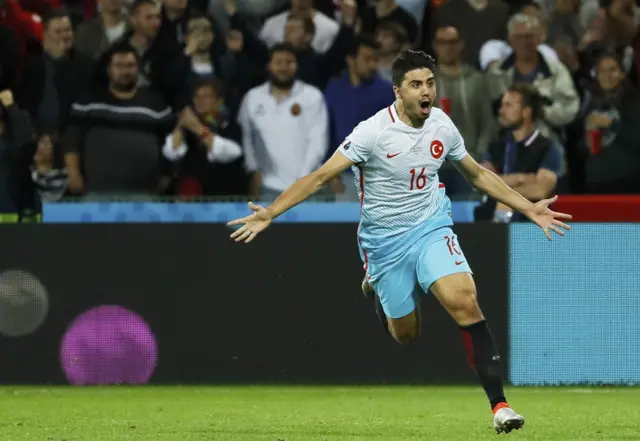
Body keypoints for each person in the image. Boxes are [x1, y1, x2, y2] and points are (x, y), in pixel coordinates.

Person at [227, 50, 572, 434]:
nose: (426, 91)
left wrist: (529, 208)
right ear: (397, 92)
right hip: (384, 244)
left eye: (430, 83)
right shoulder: (372, 133)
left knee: (464, 300)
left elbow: (476, 175)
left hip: (431, 228)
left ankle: (500, 406)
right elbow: (321, 177)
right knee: (405, 334)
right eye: (416, 85)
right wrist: (271, 212)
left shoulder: (441, 124)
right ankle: (376, 285)